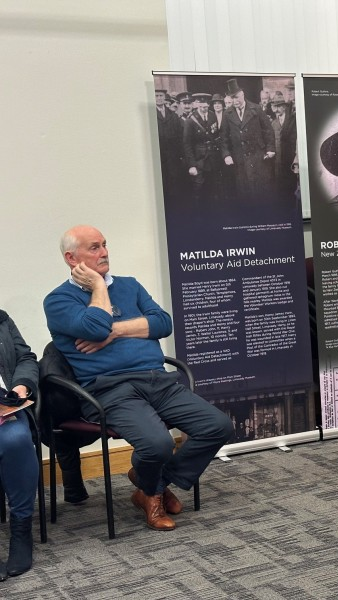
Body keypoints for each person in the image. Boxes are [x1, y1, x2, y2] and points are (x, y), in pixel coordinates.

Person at [43, 225, 234, 531]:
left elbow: (163, 323)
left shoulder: (130, 285)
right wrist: (99, 287)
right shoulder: (57, 301)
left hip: (158, 380)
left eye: (105, 244)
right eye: (93, 248)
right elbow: (95, 327)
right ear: (71, 257)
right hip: (109, 389)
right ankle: (154, 492)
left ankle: (150, 487)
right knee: (158, 445)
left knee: (218, 426)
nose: (104, 252)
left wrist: (116, 330)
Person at [0, 311, 40, 579]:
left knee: (16, 439)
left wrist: (22, 386)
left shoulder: (1, 319)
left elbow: (25, 357)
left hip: (5, 404)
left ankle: (22, 529)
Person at [219, 78, 276, 203]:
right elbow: (223, 137)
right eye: (232, 98)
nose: (235, 101)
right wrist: (226, 154)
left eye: (237, 97)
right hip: (239, 160)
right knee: (244, 193)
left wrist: (270, 149)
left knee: (261, 190)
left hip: (258, 157)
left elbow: (268, 130)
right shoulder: (227, 114)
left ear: (242, 94)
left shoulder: (256, 109)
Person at [183, 93, 223, 204]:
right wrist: (191, 165)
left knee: (215, 188)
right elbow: (187, 144)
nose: (203, 109)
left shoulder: (212, 116)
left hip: (213, 159)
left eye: (205, 107)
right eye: (201, 107)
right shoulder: (190, 121)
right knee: (199, 190)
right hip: (199, 160)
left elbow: (216, 135)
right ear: (196, 105)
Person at [270, 91, 297, 197]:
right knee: (280, 186)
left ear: (284, 107)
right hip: (278, 161)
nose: (276, 109)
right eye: (274, 106)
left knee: (291, 184)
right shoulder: (273, 123)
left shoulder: (292, 120)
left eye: (278, 106)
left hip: (290, 158)